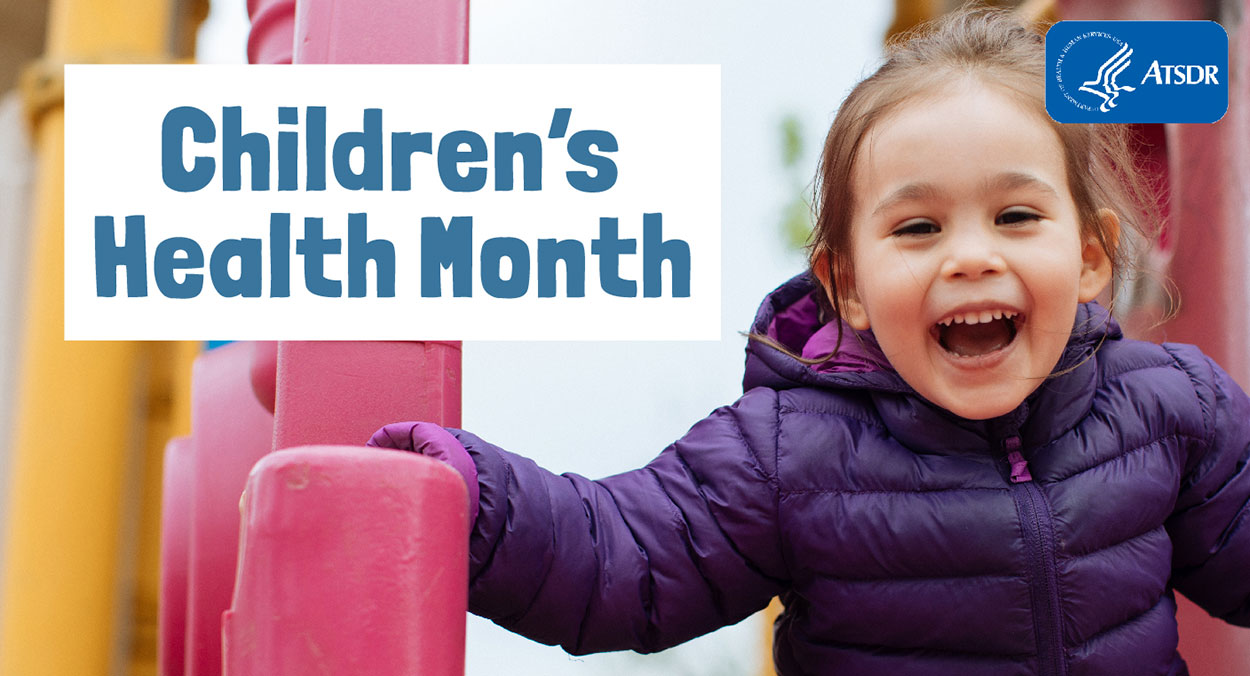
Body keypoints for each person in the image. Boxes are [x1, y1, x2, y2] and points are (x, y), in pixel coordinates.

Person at [369, 8, 1250, 675]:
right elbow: (619, 559)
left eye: (1016, 215)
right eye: (917, 229)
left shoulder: (1170, 409)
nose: (972, 256)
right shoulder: (790, 452)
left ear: (1092, 255)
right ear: (848, 288)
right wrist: (466, 498)